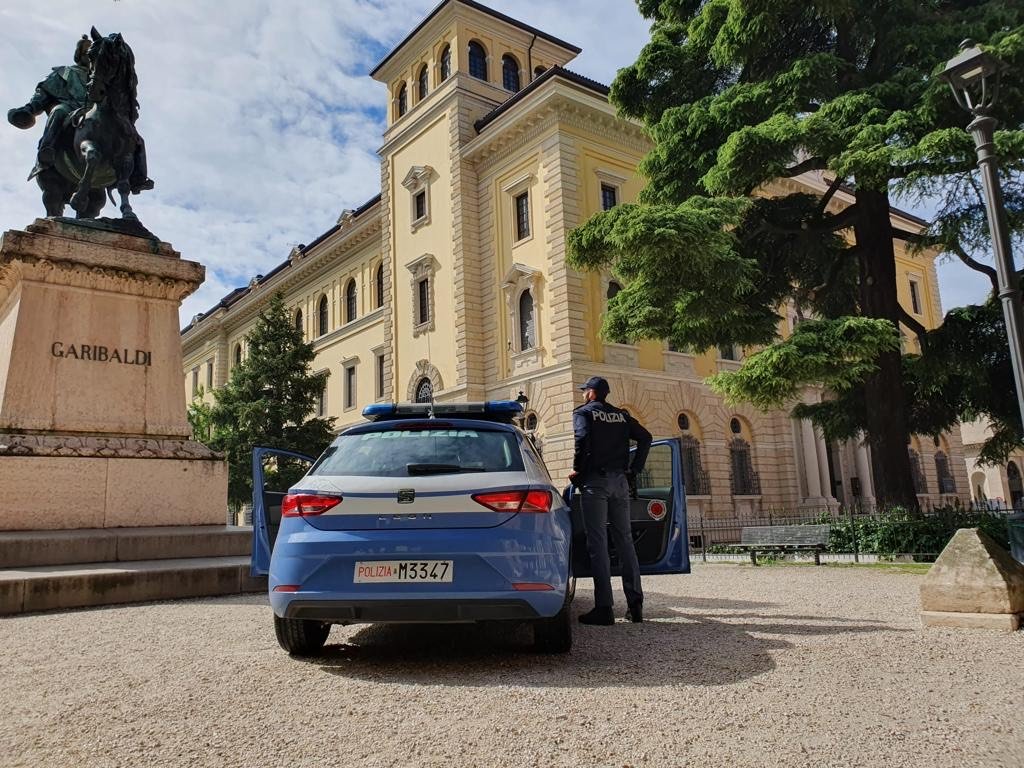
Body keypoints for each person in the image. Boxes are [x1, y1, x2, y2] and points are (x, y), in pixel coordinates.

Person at [570, 376, 652, 625]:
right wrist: (634, 469)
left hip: (595, 482)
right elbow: (646, 438)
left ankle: (604, 608)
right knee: (625, 541)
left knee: (598, 545)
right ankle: (635, 605)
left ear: (592, 393)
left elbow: (581, 441)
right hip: (620, 483)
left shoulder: (584, 414)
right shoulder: (622, 415)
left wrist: (577, 470)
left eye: (585, 391)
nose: (584, 394)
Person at [7, 35, 92, 180]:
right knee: (58, 111)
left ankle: (135, 173)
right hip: (71, 109)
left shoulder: (102, 78)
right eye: (86, 53)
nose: (89, 57)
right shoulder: (66, 72)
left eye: (92, 55)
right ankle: (47, 149)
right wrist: (30, 109)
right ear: (79, 55)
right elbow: (44, 91)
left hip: (95, 112)